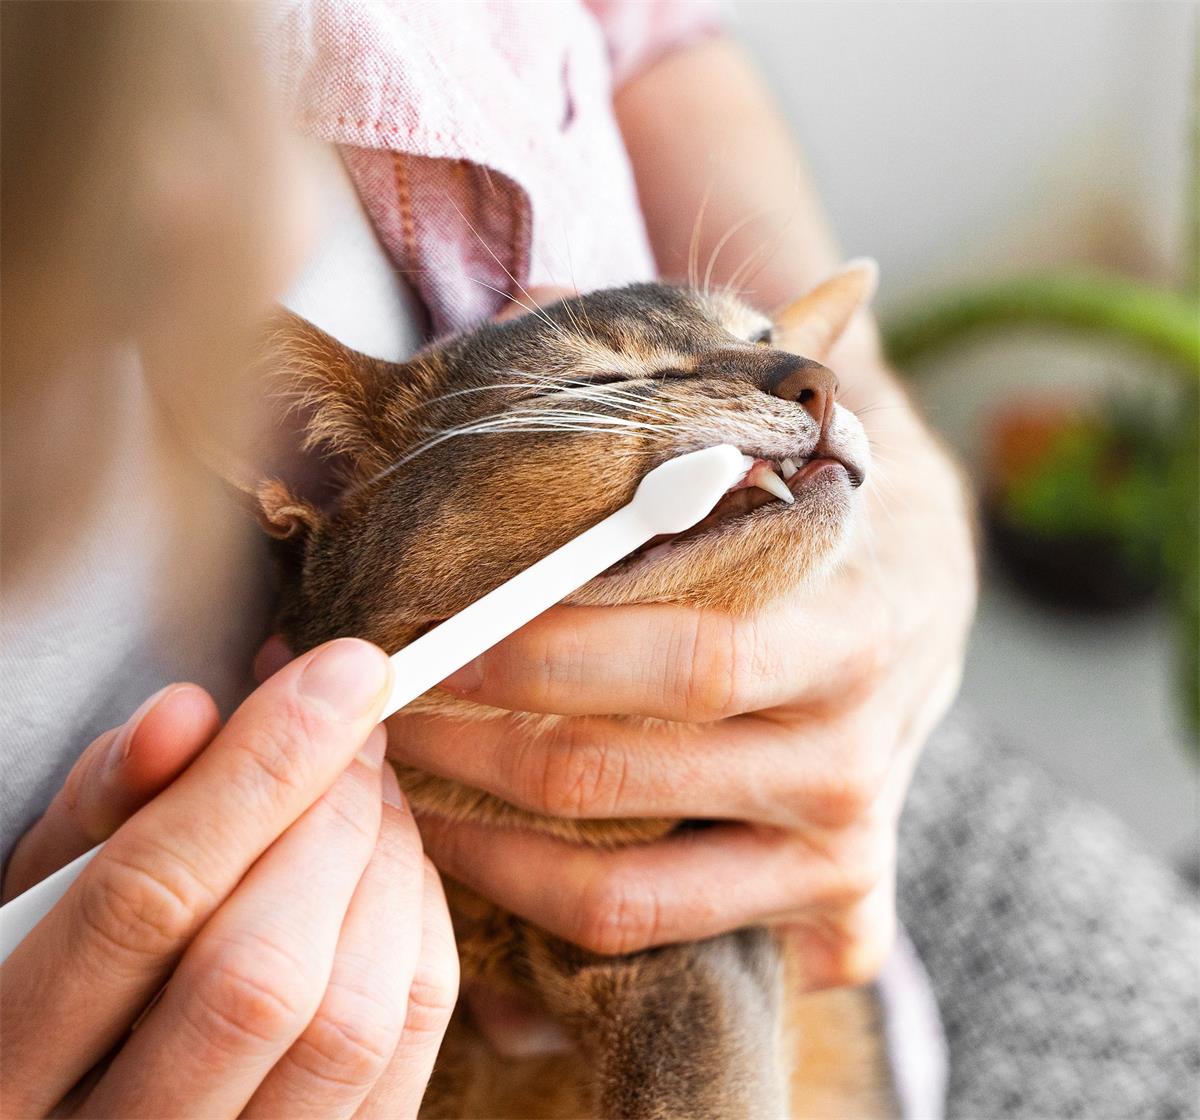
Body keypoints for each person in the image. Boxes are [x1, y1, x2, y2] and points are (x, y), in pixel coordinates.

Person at [2, 1, 977, 1114]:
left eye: (777, 351)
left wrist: (912, 513)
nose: (806, 383)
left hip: (851, 936)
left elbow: (649, 31)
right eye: (629, 362)